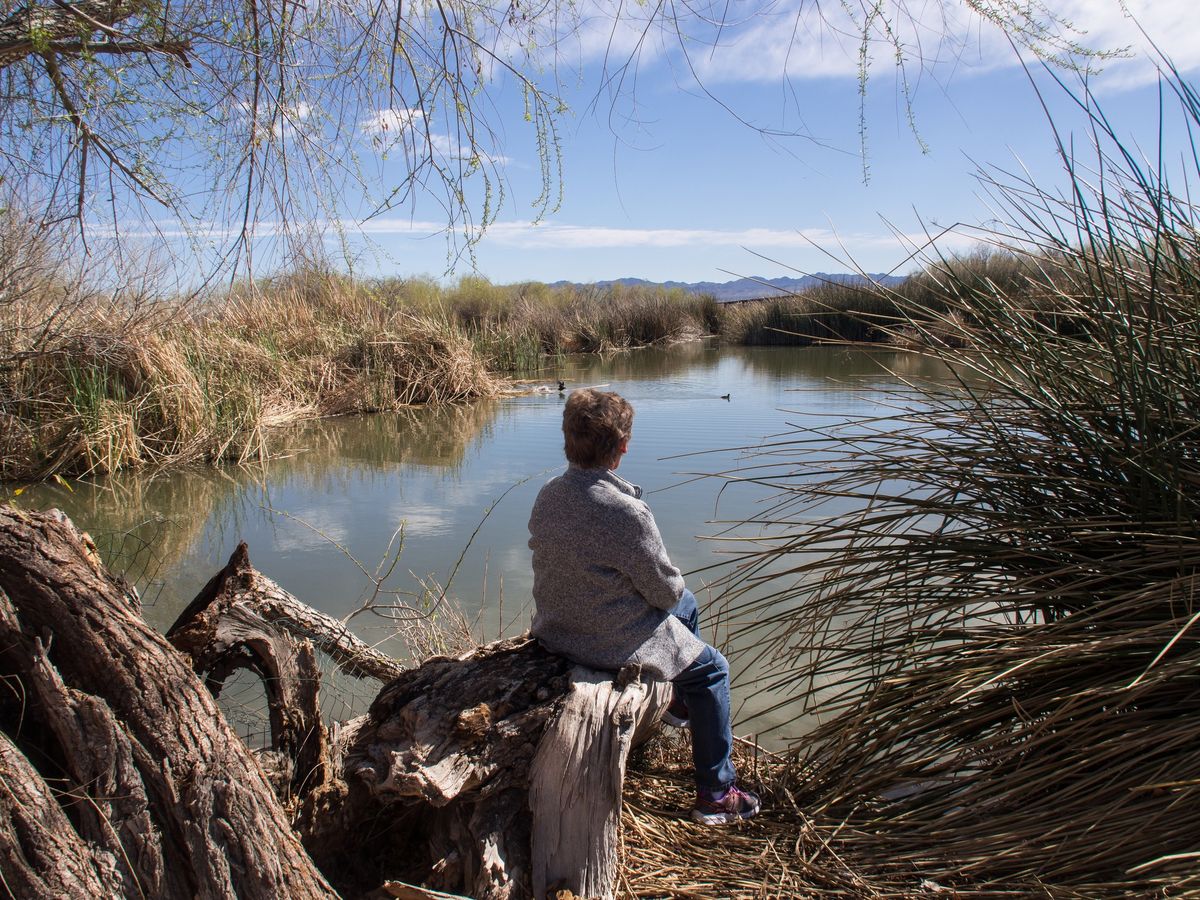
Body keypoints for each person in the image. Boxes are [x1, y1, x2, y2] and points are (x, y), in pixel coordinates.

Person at [527, 388, 760, 824]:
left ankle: (677, 706)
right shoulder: (626, 512)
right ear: (622, 448)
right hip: (604, 641)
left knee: (687, 608)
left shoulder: (549, 495)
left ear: (567, 440)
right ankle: (715, 794)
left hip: (556, 628)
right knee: (713, 669)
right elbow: (665, 593)